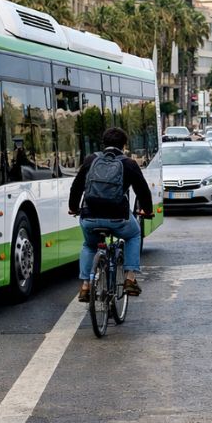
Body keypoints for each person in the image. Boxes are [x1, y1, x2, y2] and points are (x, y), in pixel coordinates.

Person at [68, 127, 154, 302]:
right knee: (135, 234)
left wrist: (73, 207)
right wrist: (148, 210)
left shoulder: (91, 160)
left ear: (103, 144)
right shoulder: (129, 164)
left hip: (90, 217)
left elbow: (77, 186)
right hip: (118, 218)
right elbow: (143, 191)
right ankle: (130, 278)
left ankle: (85, 285)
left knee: (89, 246)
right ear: (124, 145)